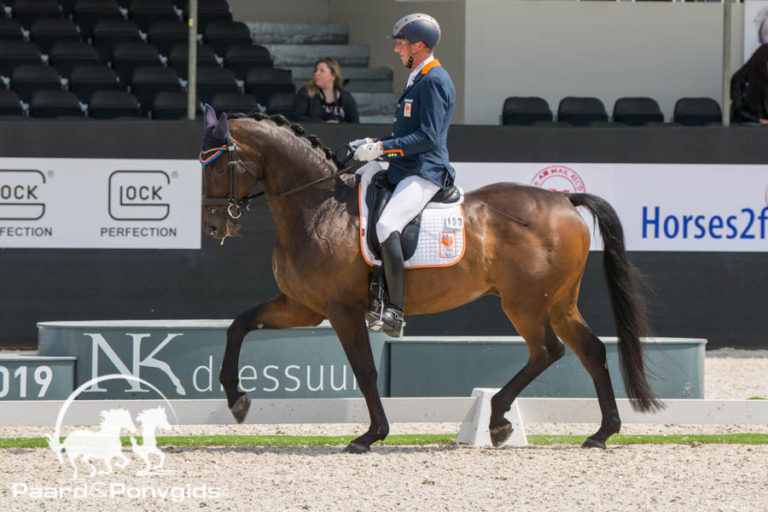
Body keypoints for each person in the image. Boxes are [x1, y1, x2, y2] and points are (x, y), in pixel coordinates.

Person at [349, 13, 456, 337]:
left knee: (386, 224)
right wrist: (374, 145)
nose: (397, 49)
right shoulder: (417, 77)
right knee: (362, 177)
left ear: (419, 45)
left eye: (401, 43)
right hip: (403, 168)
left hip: (425, 171)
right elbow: (407, 131)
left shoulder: (435, 80)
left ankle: (395, 310)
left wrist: (383, 148)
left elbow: (428, 138)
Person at [291, 57, 359, 123]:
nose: (316, 74)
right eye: (316, 70)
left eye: (322, 71)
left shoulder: (346, 98)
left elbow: (355, 124)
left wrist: (339, 126)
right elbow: (297, 118)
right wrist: (323, 124)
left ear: (333, 76)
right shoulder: (306, 93)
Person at [731, 44, 768, 125]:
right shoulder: (739, 80)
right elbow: (738, 109)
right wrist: (759, 120)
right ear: (762, 61)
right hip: (746, 125)